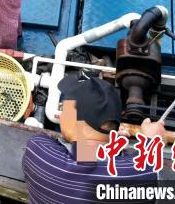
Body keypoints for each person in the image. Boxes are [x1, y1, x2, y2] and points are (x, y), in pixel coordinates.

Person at [23, 75, 164, 204]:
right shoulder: (141, 174)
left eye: (63, 109)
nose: (60, 116)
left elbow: (84, 159)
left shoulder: (37, 151)